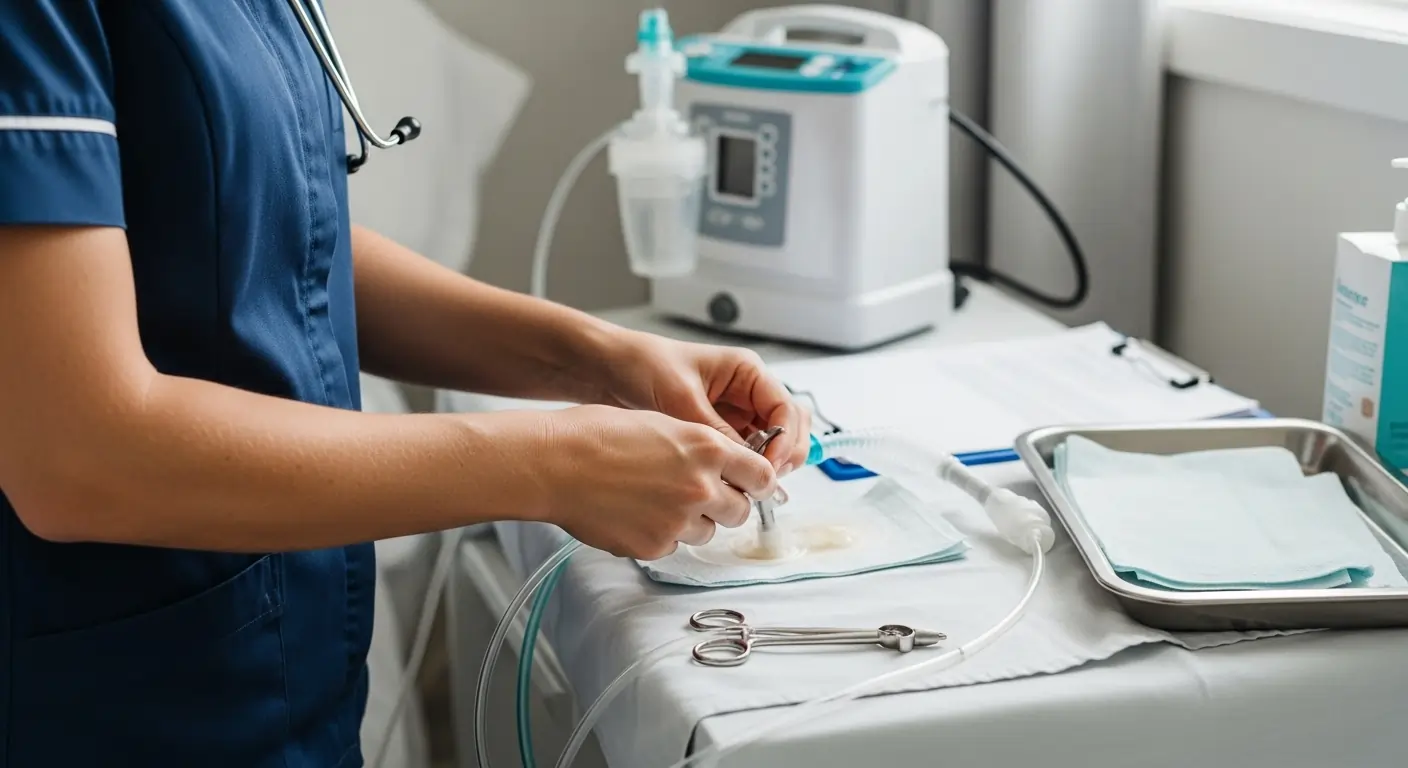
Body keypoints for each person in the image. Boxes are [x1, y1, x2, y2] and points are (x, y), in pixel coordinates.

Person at [0, 3, 809, 765]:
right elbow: (78, 453)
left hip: (283, 677)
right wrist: (557, 464)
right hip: (116, 708)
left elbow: (263, 231)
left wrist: (603, 360)